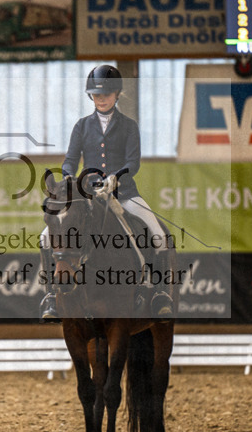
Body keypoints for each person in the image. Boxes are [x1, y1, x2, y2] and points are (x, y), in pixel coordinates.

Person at [39, 64, 171, 322]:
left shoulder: (129, 126)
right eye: (97, 95)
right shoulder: (82, 126)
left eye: (106, 94)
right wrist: (69, 178)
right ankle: (51, 296)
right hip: (88, 196)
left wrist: (116, 178)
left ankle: (159, 293)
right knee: (45, 237)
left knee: (158, 235)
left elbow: (133, 163)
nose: (101, 99)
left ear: (117, 94)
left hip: (124, 194)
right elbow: (70, 160)